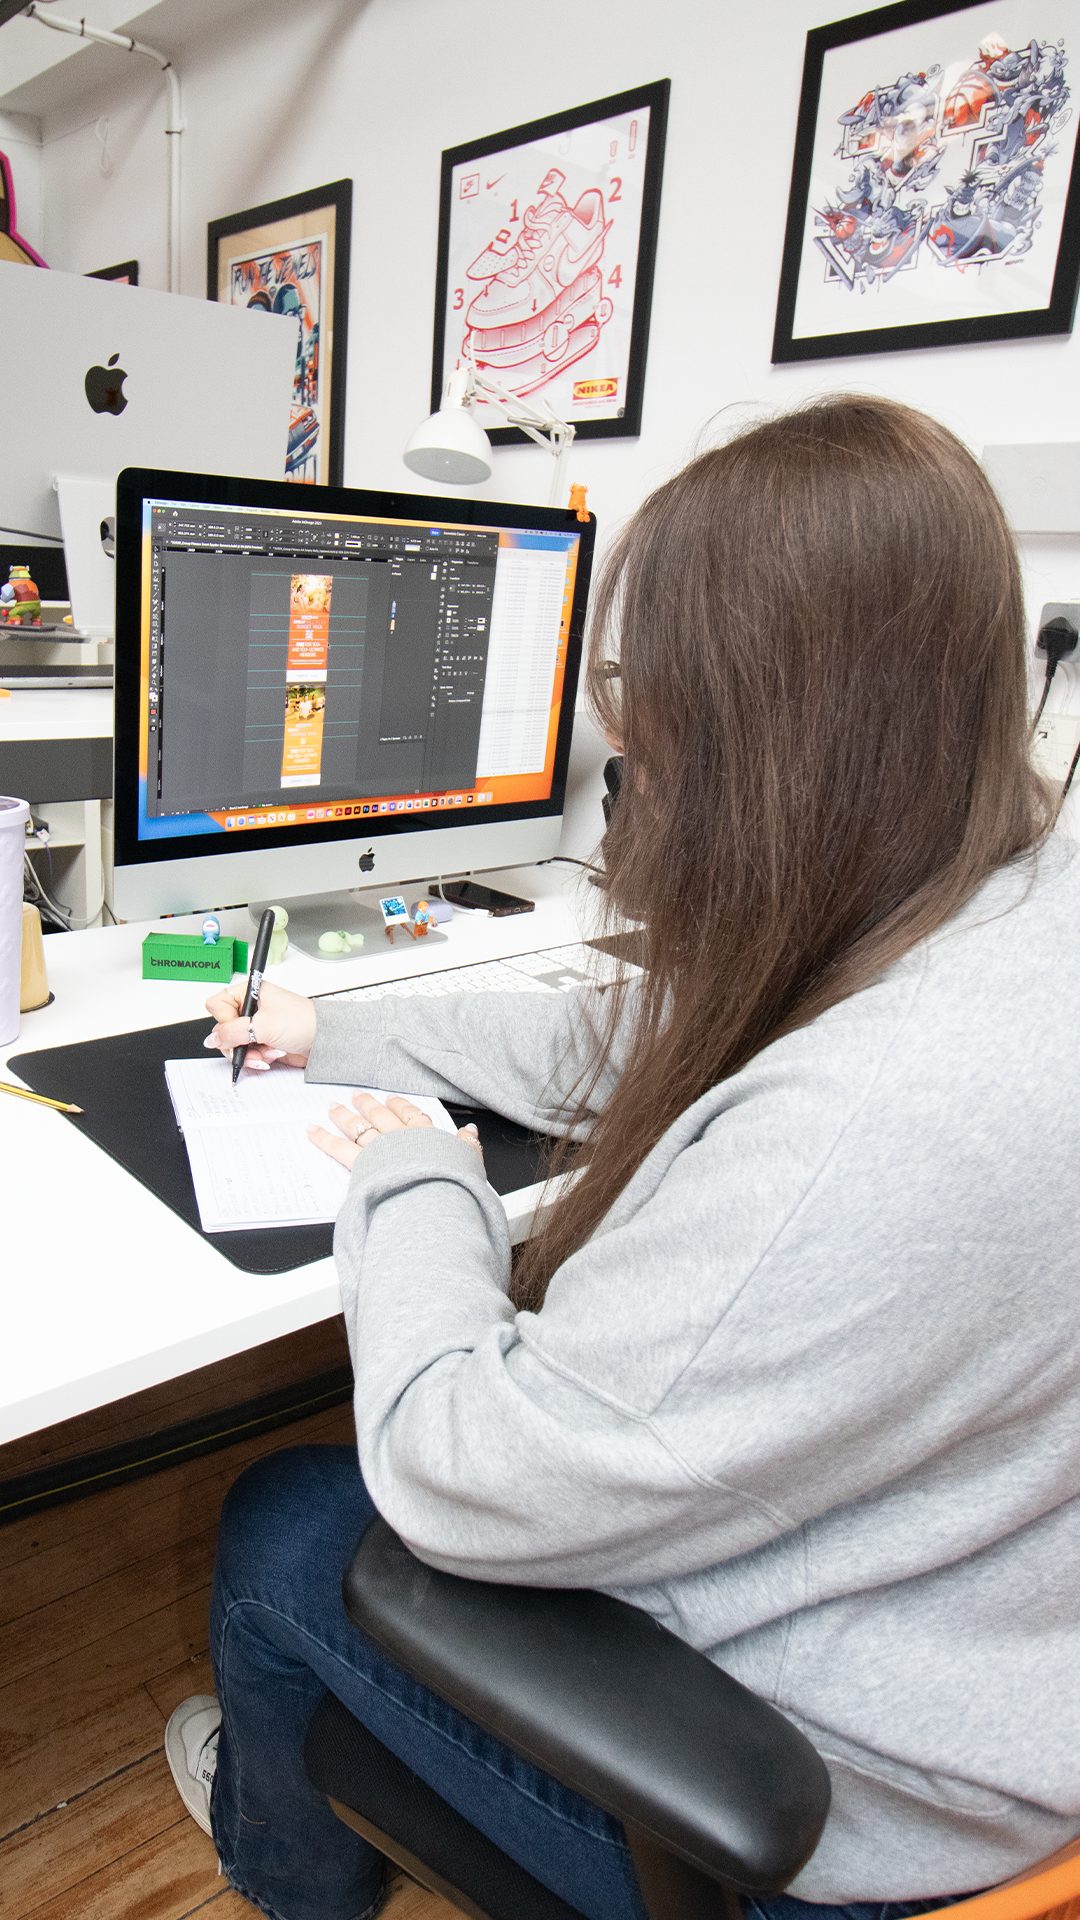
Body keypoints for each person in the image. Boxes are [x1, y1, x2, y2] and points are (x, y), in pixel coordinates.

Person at [166, 394, 1080, 1920]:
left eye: (639, 706)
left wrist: (416, 1179)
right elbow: (677, 1029)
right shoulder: (1007, 907)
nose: (624, 745)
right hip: (994, 1651)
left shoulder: (860, 1140)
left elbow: (457, 1470)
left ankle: (280, 1871)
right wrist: (358, 1032)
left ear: (746, 736)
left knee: (283, 1529)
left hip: (828, 1825)